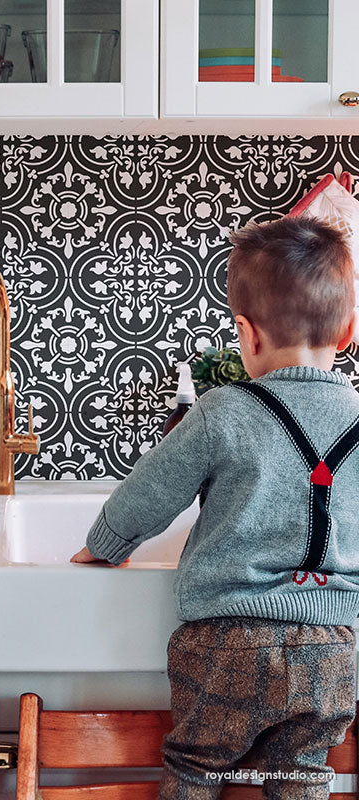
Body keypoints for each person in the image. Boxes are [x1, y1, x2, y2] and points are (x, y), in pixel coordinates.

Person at [71, 216, 359, 799]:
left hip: (228, 643)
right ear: (348, 331)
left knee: (196, 767)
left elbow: (148, 495)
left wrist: (103, 547)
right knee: (299, 773)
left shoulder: (221, 411)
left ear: (246, 334)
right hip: (332, 646)